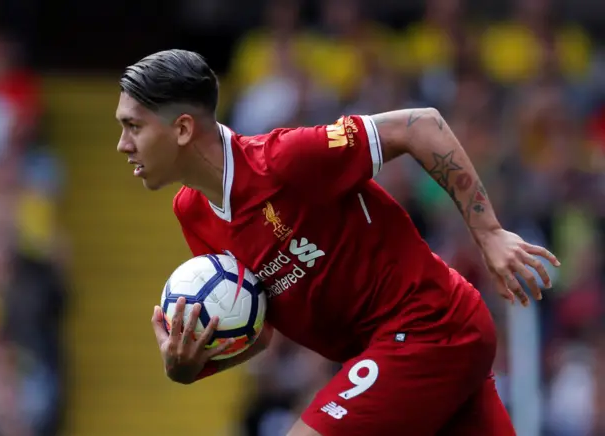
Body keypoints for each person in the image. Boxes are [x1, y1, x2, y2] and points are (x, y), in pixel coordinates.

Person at [115, 50, 560, 436]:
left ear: (183, 129)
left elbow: (421, 125)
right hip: (400, 351)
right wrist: (195, 364)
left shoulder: (284, 161)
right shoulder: (191, 212)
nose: (122, 145)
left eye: (133, 126)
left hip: (429, 327)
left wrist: (489, 232)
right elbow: (258, 327)